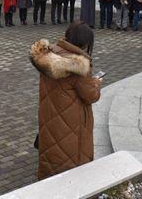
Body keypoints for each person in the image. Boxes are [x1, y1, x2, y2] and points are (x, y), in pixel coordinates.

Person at [30, 22, 101, 180]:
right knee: (70, 161)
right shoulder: (78, 67)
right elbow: (91, 96)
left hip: (50, 114)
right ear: (85, 43)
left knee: (53, 151)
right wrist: (96, 83)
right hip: (71, 121)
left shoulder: (50, 55)